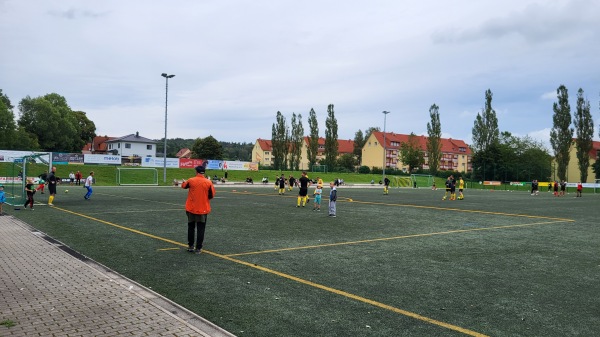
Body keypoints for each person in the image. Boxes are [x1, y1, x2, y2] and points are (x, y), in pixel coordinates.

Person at [181, 165, 215, 254]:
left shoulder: (191, 180)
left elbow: (184, 186)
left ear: (196, 172)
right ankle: (198, 248)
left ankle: (191, 246)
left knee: (191, 227)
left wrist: (183, 182)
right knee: (201, 229)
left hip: (191, 208)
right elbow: (211, 195)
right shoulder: (208, 182)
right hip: (203, 209)